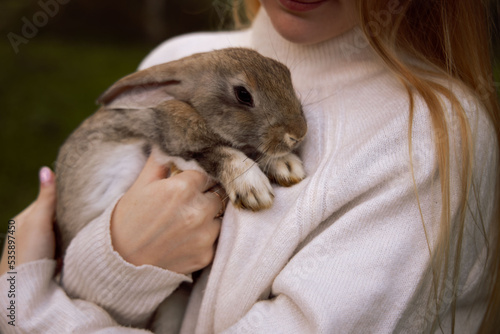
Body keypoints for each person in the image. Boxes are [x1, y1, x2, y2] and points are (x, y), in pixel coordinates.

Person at [1, 0, 499, 332]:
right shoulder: (180, 57)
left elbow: (23, 285)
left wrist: (22, 304)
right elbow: (43, 237)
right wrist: (119, 261)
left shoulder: (427, 136)